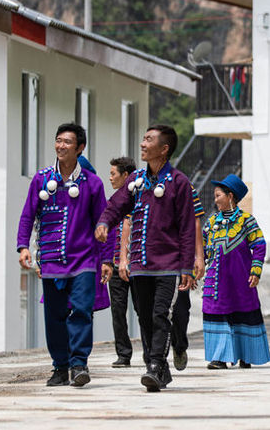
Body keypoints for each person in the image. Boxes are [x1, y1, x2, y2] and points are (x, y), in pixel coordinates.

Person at [95, 124, 195, 392]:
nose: (142, 143)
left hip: (169, 265)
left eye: (148, 140)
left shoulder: (179, 183)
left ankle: (154, 365)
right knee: (145, 317)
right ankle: (158, 367)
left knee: (162, 315)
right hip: (140, 265)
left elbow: (187, 227)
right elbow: (117, 204)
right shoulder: (136, 180)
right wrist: (105, 222)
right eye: (143, 138)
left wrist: (187, 265)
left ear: (164, 149)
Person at [16, 123, 113, 388]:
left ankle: (79, 364)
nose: (61, 146)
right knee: (55, 316)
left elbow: (103, 223)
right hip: (50, 260)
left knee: (81, 310)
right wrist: (23, 246)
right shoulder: (42, 179)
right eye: (58, 140)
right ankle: (60, 366)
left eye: (67, 142)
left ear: (80, 148)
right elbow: (28, 214)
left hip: (83, 260)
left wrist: (106, 259)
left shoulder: (92, 183)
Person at [202, 174, 270, 370]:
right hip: (216, 280)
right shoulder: (212, 221)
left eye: (218, 196)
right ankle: (219, 358)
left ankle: (245, 355)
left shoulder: (246, 221)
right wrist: (197, 267)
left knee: (243, 313)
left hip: (240, 279)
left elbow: (259, 244)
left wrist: (255, 271)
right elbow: (204, 246)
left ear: (230, 196)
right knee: (217, 313)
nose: (215, 200)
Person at [103, 156, 138, 367]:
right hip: (116, 265)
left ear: (126, 176)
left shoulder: (142, 200)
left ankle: (152, 353)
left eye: (113, 173)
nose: (110, 178)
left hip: (139, 265)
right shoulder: (113, 204)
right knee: (117, 310)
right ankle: (123, 354)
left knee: (143, 310)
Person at [169, 188, 206, 371]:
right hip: (151, 258)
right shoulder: (141, 183)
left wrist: (198, 258)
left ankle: (179, 346)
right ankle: (154, 356)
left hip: (179, 258)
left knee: (180, 310)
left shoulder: (185, 187)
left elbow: (195, 223)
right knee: (150, 309)